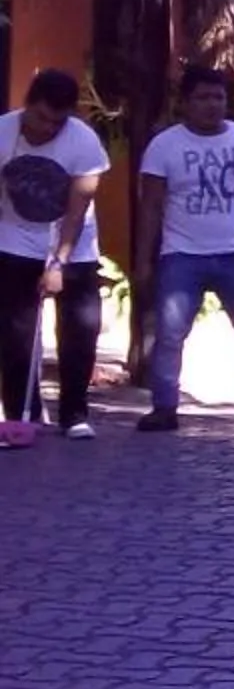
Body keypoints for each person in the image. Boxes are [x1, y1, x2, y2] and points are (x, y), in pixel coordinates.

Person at [135, 66, 234, 433]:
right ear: (185, 103)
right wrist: (143, 260)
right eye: (202, 98)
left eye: (218, 97)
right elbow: (150, 207)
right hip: (182, 256)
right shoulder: (165, 146)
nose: (211, 105)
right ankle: (164, 407)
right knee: (171, 333)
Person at [0, 68, 109, 439]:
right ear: (27, 105)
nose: (48, 129)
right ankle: (21, 414)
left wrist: (59, 262)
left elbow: (77, 210)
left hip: (73, 246)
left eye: (57, 122)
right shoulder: (3, 132)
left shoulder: (83, 142)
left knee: (81, 328)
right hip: (14, 240)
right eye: (42, 117)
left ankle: (74, 413)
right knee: (16, 334)